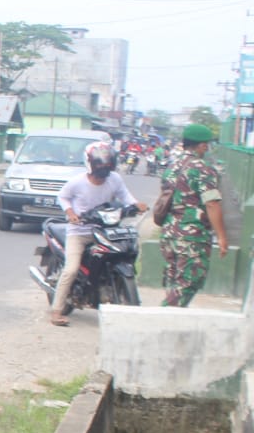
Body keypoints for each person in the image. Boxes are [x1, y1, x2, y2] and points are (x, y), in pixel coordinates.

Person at [48, 142, 144, 326]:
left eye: (107, 163)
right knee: (71, 270)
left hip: (106, 230)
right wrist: (71, 213)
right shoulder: (77, 182)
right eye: (100, 163)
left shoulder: (115, 179)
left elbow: (125, 196)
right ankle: (56, 311)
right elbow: (62, 197)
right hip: (80, 232)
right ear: (90, 163)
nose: (103, 167)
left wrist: (136, 205)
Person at [159, 124, 228, 307]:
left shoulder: (172, 166)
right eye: (207, 145)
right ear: (202, 145)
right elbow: (212, 203)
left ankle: (170, 320)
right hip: (191, 235)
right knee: (189, 282)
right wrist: (222, 237)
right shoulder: (203, 168)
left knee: (174, 282)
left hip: (169, 232)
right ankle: (159, 319)